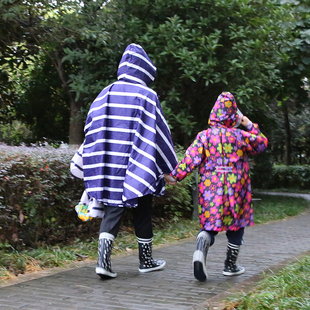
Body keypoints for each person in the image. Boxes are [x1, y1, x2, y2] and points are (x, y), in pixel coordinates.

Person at [81, 43, 178, 278]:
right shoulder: (147, 95)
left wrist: (92, 160)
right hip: (139, 165)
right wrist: (169, 168)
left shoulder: (105, 93)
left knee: (113, 209)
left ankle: (103, 262)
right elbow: (159, 132)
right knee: (143, 209)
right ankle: (146, 261)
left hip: (109, 165)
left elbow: (90, 129)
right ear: (144, 70)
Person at [169, 92, 268, 281]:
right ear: (233, 115)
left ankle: (201, 245)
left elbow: (190, 160)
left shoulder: (204, 136)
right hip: (236, 188)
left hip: (210, 187)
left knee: (210, 224)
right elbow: (262, 143)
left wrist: (175, 176)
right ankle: (230, 265)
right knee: (236, 224)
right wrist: (249, 124)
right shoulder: (240, 135)